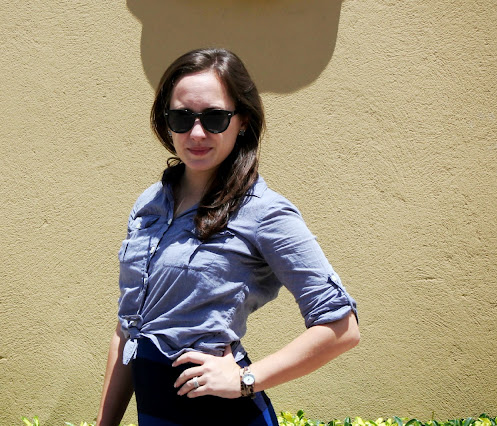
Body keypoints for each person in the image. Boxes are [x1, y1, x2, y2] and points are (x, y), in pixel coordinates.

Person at [97, 47, 360, 426]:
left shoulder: (264, 212)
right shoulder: (149, 204)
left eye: (215, 118)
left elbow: (342, 328)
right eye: (181, 117)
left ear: (243, 121)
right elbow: (128, 331)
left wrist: (244, 379)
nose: (196, 133)